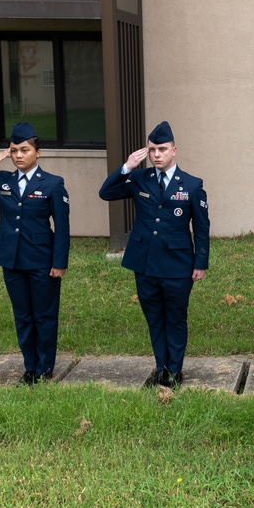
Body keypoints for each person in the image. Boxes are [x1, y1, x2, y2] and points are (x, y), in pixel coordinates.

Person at [0, 122, 70, 385]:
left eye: (25, 150)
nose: (19, 155)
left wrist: (59, 262)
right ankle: (30, 368)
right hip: (12, 260)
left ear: (37, 153)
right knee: (23, 316)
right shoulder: (1, 181)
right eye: (14, 150)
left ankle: (44, 369)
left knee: (44, 315)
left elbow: (62, 228)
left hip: (42, 260)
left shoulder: (52, 184)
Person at [98, 121, 209, 389]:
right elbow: (106, 193)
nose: (156, 154)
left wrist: (200, 263)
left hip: (177, 265)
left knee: (175, 317)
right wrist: (126, 167)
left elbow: (202, 228)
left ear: (174, 150)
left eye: (162, 149)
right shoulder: (139, 179)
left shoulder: (192, 185)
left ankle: (175, 370)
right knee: (154, 318)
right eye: (152, 150)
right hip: (145, 262)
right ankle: (161, 368)